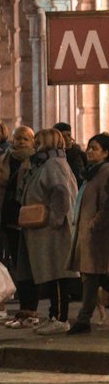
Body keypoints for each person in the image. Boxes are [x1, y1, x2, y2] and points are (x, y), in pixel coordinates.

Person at [18, 128, 77, 334]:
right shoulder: (47, 163)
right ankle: (54, 315)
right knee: (52, 274)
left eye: (39, 141)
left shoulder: (52, 164)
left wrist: (54, 219)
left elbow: (60, 192)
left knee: (58, 274)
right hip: (48, 230)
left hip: (54, 231)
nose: (35, 145)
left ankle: (60, 318)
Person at [0, 124, 38, 324]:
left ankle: (29, 309)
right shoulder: (2, 161)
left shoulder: (35, 162)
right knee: (15, 266)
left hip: (27, 220)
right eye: (18, 138)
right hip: (7, 219)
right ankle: (22, 309)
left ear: (32, 142)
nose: (20, 142)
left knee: (28, 267)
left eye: (25, 139)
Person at [67, 133, 109, 335]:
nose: (90, 151)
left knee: (93, 276)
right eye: (89, 147)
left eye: (95, 148)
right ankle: (84, 319)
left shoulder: (105, 172)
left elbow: (106, 206)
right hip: (88, 234)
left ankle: (83, 319)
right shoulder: (91, 172)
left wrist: (94, 225)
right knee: (91, 277)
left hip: (98, 236)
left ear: (106, 153)